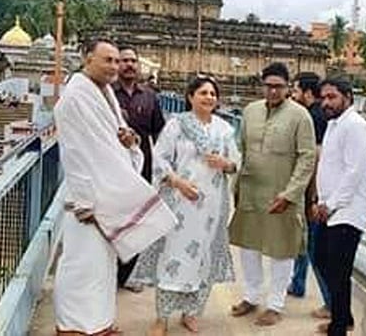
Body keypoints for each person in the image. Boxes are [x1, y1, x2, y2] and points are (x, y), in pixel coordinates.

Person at [52, 39, 176, 335]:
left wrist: (131, 144)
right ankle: (72, 328)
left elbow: (118, 142)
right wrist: (84, 202)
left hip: (108, 194)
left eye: (116, 61)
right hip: (87, 200)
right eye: (107, 60)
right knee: (80, 266)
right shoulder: (75, 98)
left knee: (102, 268)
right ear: (87, 59)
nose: (114, 66)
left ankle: (98, 325)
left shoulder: (103, 93)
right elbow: (75, 152)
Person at [138, 76, 240, 336]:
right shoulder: (177, 125)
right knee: (172, 257)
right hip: (180, 201)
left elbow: (236, 163)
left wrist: (225, 164)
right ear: (190, 97)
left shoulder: (224, 129)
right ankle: (162, 318)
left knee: (203, 258)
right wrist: (177, 182)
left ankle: (192, 313)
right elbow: (160, 158)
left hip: (211, 207)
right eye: (203, 93)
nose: (209, 97)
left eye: (213, 93)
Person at [228, 62, 317, 327]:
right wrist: (236, 186)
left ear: (288, 87)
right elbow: (241, 149)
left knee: (281, 249)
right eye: (268, 86)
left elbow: (307, 158)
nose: (273, 91)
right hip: (250, 191)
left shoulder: (300, 116)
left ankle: (275, 304)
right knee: (249, 246)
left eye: (279, 86)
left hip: (282, 195)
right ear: (262, 86)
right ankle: (251, 296)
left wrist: (290, 194)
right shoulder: (250, 111)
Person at [313, 78, 366, 336]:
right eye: (324, 98)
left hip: (347, 211)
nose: (326, 103)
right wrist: (321, 201)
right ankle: (343, 316)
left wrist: (331, 204)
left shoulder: (355, 126)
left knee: (338, 270)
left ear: (347, 97)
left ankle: (338, 327)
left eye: (332, 97)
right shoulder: (334, 124)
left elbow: (354, 171)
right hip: (331, 208)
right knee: (321, 258)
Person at [112, 45, 166, 292]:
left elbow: (160, 134)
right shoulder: (107, 94)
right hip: (112, 166)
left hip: (141, 168)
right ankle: (108, 272)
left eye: (133, 61)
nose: (129, 65)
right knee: (111, 218)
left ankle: (128, 275)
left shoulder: (149, 97)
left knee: (136, 221)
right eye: (124, 60)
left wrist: (164, 168)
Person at [286, 72, 332, 320]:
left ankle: (331, 302)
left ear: (307, 92)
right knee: (305, 241)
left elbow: (314, 158)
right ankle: (298, 282)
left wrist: (311, 197)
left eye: (295, 90)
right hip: (315, 190)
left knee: (315, 247)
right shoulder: (320, 116)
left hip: (314, 191)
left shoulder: (312, 118)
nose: (293, 95)